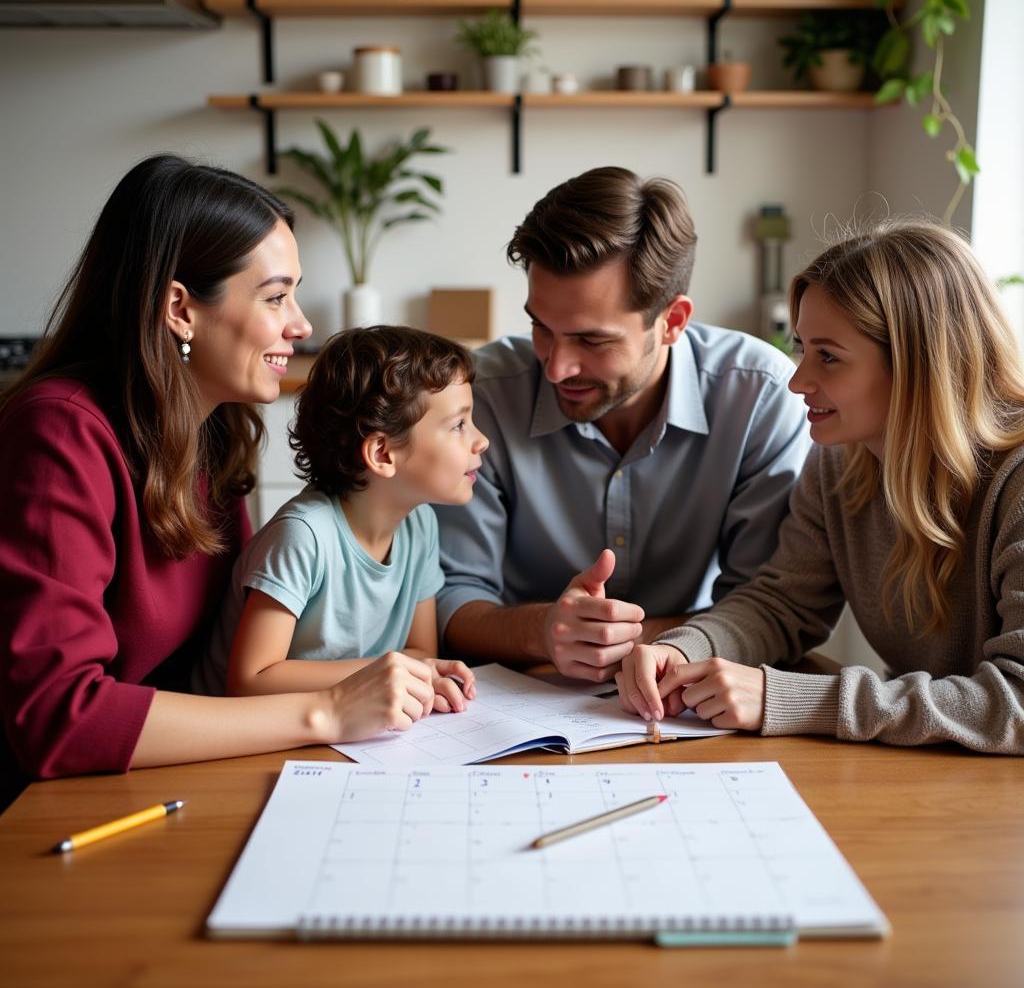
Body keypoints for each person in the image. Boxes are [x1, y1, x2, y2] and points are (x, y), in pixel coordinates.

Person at [0, 156, 437, 806]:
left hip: (162, 779)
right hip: (47, 802)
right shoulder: (60, 434)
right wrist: (328, 711)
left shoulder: (212, 429)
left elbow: (229, 643)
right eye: (275, 296)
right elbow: (59, 716)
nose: (302, 324)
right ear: (180, 308)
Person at [616, 221, 1024, 754]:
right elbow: (782, 605)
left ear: (917, 363)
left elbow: (1016, 701)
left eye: (827, 356)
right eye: (802, 348)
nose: (797, 380)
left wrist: (793, 698)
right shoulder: (840, 462)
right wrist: (685, 650)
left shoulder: (1015, 482)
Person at [435, 166, 810, 681]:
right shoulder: (484, 400)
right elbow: (451, 598)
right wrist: (544, 629)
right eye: (541, 328)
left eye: (592, 340)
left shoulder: (762, 397)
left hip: (692, 688)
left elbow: (768, 604)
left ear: (673, 321)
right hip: (521, 692)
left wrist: (632, 644)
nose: (556, 366)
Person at [194, 326, 487, 712]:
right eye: (458, 425)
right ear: (382, 454)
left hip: (336, 724)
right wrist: (384, 671)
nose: (481, 440)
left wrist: (419, 669)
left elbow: (418, 650)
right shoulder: (303, 536)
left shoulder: (421, 526)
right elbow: (250, 680)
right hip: (238, 741)